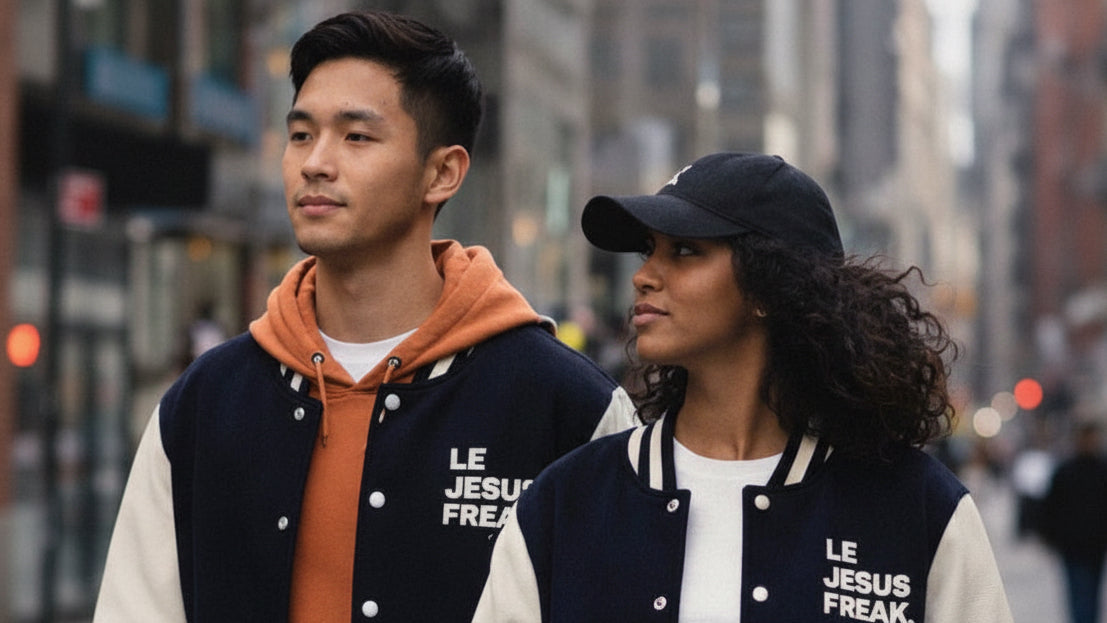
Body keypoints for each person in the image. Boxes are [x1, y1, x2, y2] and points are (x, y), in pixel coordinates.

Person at [94, 10, 634, 623]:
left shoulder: (569, 407)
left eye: (356, 136)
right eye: (300, 134)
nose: (314, 163)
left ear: (443, 173)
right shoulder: (204, 403)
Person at [473, 152, 1013, 622]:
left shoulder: (918, 509)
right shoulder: (564, 502)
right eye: (648, 250)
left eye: (684, 250)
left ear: (771, 286)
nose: (644, 275)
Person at [1041, 421, 1107, 623]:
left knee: (1090, 594)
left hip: (1093, 545)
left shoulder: (1099, 470)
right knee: (1080, 594)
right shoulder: (1065, 471)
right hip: (1073, 546)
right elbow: (1050, 508)